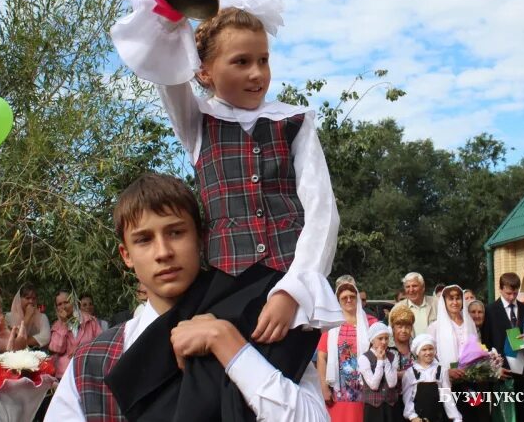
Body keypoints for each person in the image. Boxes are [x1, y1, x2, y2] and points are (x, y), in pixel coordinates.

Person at [112, 0, 342, 419]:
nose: (257, 73)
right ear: (204, 73)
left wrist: (293, 291)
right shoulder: (197, 122)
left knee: (260, 392)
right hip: (224, 286)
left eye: (263, 59)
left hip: (282, 284)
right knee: (173, 381)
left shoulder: (294, 122)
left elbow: (321, 214)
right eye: (241, 62)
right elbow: (163, 61)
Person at [46, 173, 330, 421]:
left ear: (201, 239)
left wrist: (229, 345)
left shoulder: (261, 324)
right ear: (126, 255)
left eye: (176, 232)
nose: (163, 252)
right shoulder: (90, 363)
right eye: (144, 239)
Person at [317, 278, 376, 422]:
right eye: (344, 298)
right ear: (338, 301)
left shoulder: (371, 323)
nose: (348, 300)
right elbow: (321, 357)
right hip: (339, 389)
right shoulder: (330, 325)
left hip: (367, 387)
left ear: (357, 298)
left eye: (352, 296)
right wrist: (324, 388)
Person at [481, 272, 524, 422]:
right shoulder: (490, 310)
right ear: (500, 289)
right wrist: (494, 369)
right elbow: (487, 342)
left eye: (515, 293)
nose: (512, 297)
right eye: (508, 293)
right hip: (503, 371)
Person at [429, 285, 486, 422]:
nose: (455, 302)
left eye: (458, 298)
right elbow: (430, 357)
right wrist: (446, 372)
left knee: (473, 415)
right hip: (448, 383)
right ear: (444, 301)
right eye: (451, 299)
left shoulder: (469, 323)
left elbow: (476, 348)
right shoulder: (435, 327)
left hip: (471, 380)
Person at [401, 333, 462, 422]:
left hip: (438, 417)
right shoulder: (410, 373)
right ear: (417, 352)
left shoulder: (441, 370)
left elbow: (447, 397)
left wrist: (456, 418)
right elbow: (407, 399)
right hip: (418, 419)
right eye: (424, 350)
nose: (428, 352)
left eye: (431, 349)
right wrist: (412, 416)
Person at [48, 289, 102, 379]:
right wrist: (63, 325)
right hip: (65, 375)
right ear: (56, 308)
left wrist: (82, 349)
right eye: (59, 304)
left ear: (74, 301)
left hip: (87, 371)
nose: (63, 307)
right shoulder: (56, 326)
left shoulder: (90, 321)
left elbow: (101, 342)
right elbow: (58, 349)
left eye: (66, 302)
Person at [357, 322, 398, 422]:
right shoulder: (364, 358)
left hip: (390, 405)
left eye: (386, 338)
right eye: (380, 338)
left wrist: (385, 360)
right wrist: (380, 361)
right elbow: (374, 385)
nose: (384, 342)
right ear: (372, 340)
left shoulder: (392, 356)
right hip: (373, 407)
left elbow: (392, 383)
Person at [387, 305, 415, 418]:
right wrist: (402, 375)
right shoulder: (385, 346)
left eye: (407, 326)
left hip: (414, 401)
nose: (403, 330)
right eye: (399, 326)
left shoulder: (417, 346)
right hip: (391, 402)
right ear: (393, 327)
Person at [6, 284, 51, 348]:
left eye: (34, 298)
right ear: (19, 299)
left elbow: (45, 338)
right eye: (27, 298)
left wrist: (20, 342)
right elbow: (11, 338)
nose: (31, 301)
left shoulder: (42, 317)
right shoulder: (9, 317)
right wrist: (27, 317)